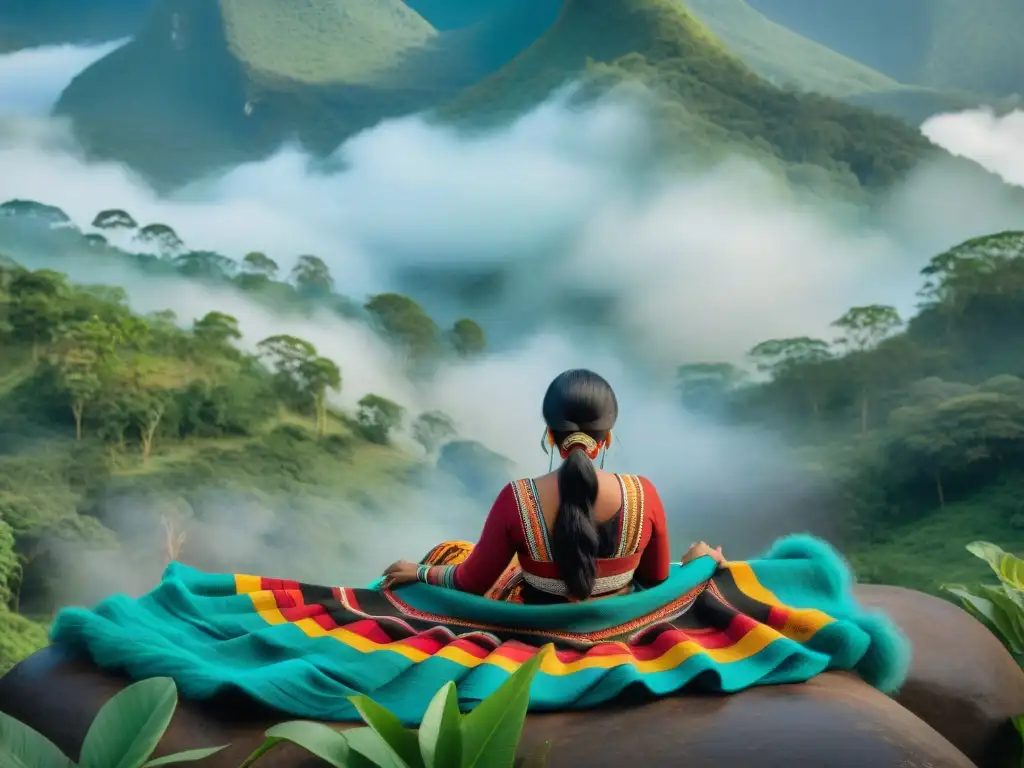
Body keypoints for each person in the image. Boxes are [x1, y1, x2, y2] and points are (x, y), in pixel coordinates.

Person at [382, 368, 726, 604]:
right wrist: (698, 561)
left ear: (550, 436)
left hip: (536, 633)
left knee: (451, 551)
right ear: (605, 439)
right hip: (617, 629)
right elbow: (654, 580)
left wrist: (421, 571)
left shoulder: (516, 500)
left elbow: (473, 582)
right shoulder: (642, 494)